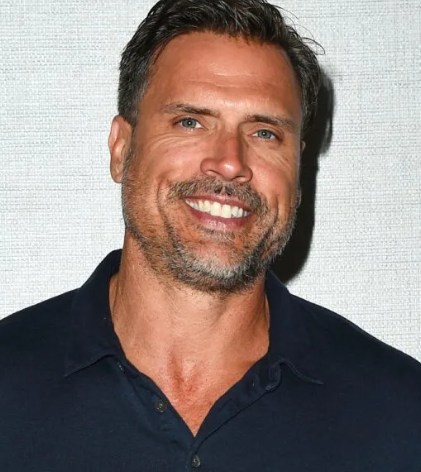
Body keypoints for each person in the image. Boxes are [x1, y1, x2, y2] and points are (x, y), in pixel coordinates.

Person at [1, 0, 420, 470]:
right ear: (121, 148)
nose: (230, 162)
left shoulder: (402, 413)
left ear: (298, 168)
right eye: (191, 122)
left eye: (265, 133)